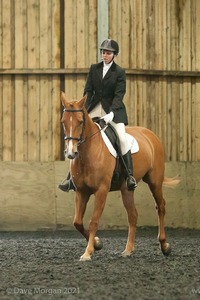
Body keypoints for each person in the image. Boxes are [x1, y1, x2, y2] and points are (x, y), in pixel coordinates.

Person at [58, 39, 137, 192]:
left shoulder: (119, 72)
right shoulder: (94, 68)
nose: (104, 55)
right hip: (93, 108)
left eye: (108, 53)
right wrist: (84, 109)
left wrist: (112, 113)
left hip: (114, 111)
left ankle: (129, 176)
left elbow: (119, 95)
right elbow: (88, 90)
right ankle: (70, 179)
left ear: (114, 55)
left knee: (122, 138)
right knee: (79, 136)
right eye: (103, 52)